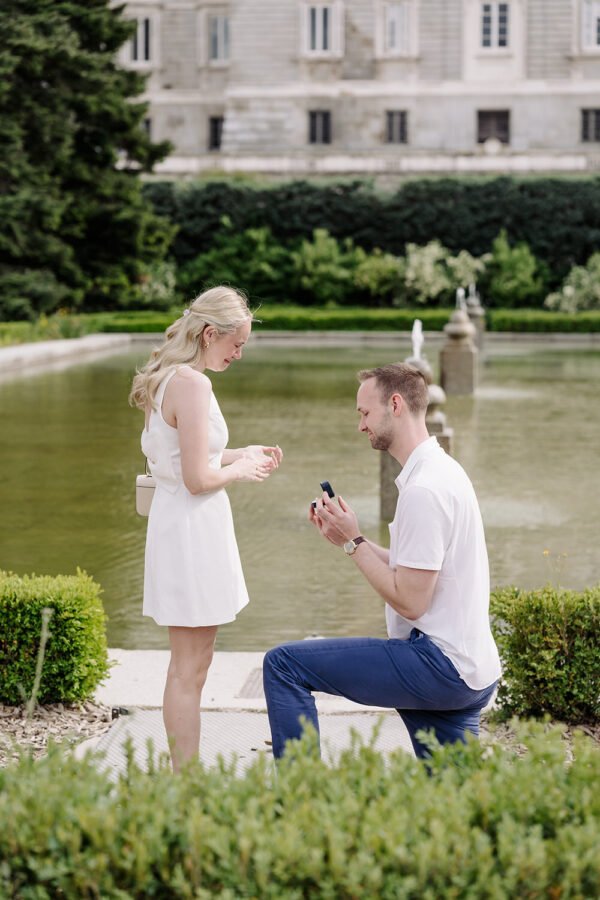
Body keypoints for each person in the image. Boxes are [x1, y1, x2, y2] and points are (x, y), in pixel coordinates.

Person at [263, 363, 500, 760]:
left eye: (364, 412)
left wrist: (353, 543)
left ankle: (297, 806)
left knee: (283, 666)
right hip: (471, 669)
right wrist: (348, 536)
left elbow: (410, 601)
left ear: (395, 404)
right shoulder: (443, 471)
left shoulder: (424, 489)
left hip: (438, 665)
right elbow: (420, 567)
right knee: (457, 802)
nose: (360, 425)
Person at [130, 286, 282, 771]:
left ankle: (184, 773)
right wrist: (240, 471)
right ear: (210, 333)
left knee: (192, 661)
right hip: (192, 531)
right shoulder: (193, 385)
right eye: (235, 343)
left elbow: (184, 459)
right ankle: (185, 779)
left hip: (181, 527)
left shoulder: (168, 378)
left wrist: (242, 452)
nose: (239, 353)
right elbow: (198, 479)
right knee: (190, 666)